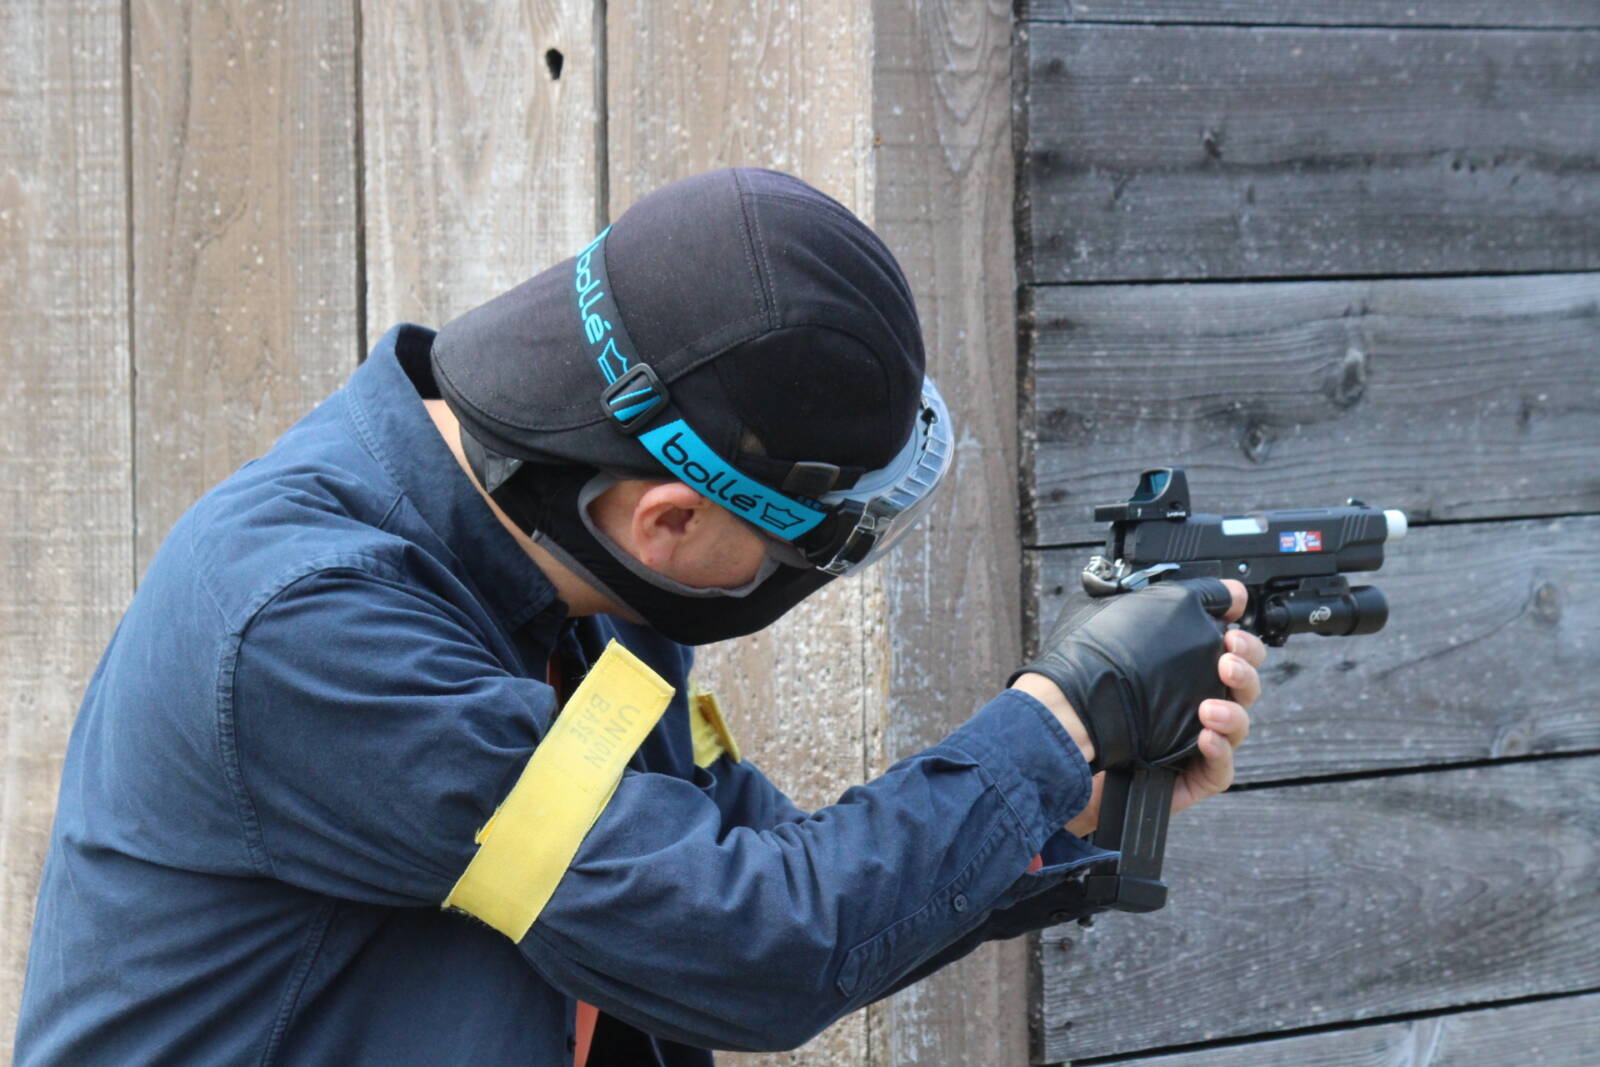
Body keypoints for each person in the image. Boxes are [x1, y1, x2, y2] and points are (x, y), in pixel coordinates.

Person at [14, 168, 1264, 1065]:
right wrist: (1052, 721)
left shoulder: (579, 586)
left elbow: (768, 871)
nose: (801, 569)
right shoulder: (312, 633)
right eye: (807, 538)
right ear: (667, 517)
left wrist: (1072, 796)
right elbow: (748, 943)